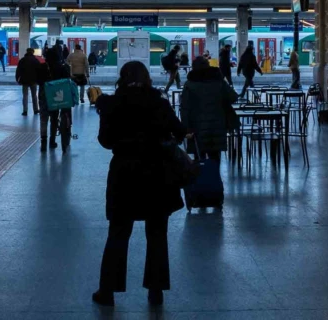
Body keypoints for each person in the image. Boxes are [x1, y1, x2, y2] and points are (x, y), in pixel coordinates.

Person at [93, 61, 190, 308]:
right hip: (157, 174)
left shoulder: (113, 104)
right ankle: (155, 291)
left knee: (118, 233)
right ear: (147, 78)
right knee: (157, 234)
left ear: (122, 79)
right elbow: (179, 132)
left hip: (124, 174)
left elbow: (105, 141)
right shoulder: (159, 103)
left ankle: (107, 292)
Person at [181, 56, 238, 168]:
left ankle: (201, 183)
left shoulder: (190, 84)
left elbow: (185, 108)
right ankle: (215, 181)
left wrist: (185, 128)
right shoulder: (218, 81)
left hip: (197, 129)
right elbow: (233, 97)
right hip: (217, 127)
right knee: (215, 159)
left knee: (199, 160)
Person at [15, 48, 41, 116]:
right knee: (34, 96)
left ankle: (25, 111)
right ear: (33, 52)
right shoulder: (35, 60)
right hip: (33, 80)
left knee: (25, 96)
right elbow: (39, 71)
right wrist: (39, 80)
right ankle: (35, 110)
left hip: (24, 80)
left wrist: (17, 79)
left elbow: (18, 70)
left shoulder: (22, 60)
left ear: (27, 52)